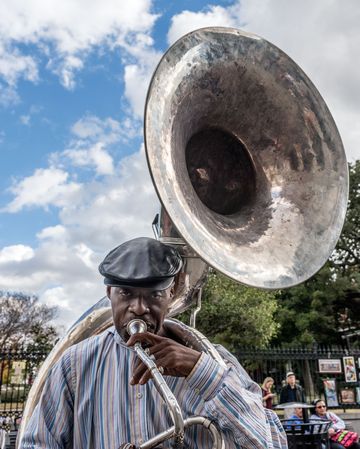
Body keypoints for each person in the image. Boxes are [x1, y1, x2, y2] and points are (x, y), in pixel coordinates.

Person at [20, 237, 287, 449]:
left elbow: (271, 443)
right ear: (108, 293)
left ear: (171, 293)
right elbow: (37, 443)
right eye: (125, 293)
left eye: (154, 294)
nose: (138, 308)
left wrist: (201, 370)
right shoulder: (74, 364)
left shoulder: (216, 360)